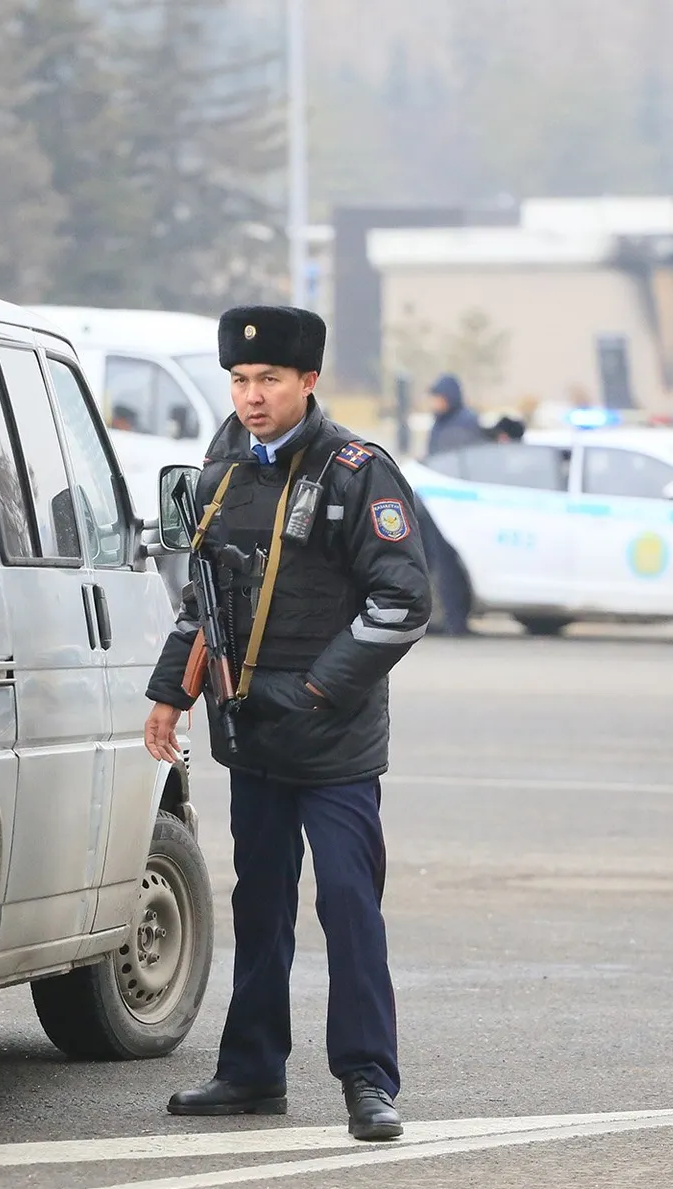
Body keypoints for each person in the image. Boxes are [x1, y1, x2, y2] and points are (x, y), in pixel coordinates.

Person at [143, 305, 430, 1142]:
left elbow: (403, 603)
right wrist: (172, 692)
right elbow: (204, 598)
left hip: (333, 742)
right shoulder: (222, 464)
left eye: (269, 380)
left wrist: (313, 691)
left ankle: (369, 1081)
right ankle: (251, 1070)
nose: (252, 395)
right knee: (259, 905)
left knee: (348, 904)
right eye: (239, 380)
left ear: (308, 381)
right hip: (253, 733)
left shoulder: (357, 471)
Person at [424, 373, 485, 457]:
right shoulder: (438, 422)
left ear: (449, 398)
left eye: (439, 398)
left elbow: (476, 452)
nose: (436, 403)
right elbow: (432, 453)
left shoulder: (468, 420)